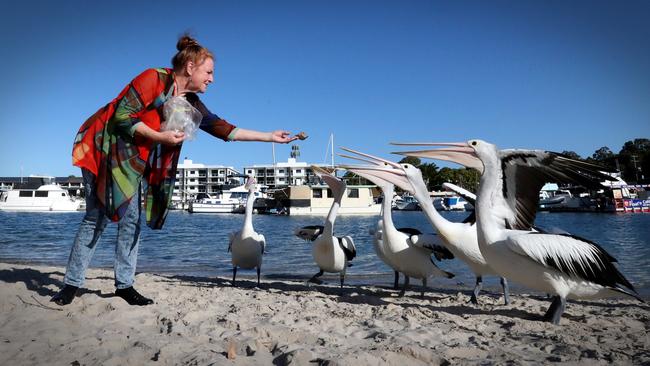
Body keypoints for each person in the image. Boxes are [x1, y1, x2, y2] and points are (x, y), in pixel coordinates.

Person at [51, 35, 299, 306]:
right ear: (190, 67)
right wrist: (160, 138)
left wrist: (270, 137)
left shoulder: (190, 101)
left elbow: (224, 129)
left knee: (131, 219)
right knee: (96, 217)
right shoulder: (153, 79)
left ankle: (125, 284)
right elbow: (123, 116)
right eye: (209, 72)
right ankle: (71, 284)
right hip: (104, 149)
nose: (212, 79)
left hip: (133, 160)